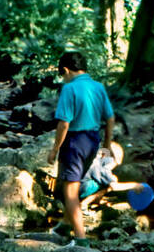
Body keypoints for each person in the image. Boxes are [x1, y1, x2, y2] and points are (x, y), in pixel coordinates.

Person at [48, 51, 114, 239]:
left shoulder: (69, 89)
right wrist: (107, 145)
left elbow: (64, 123)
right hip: (93, 140)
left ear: (66, 70)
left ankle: (80, 238)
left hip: (75, 141)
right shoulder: (99, 87)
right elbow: (110, 118)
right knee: (72, 183)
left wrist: (55, 149)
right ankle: (65, 224)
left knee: (70, 190)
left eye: (63, 75)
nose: (63, 79)